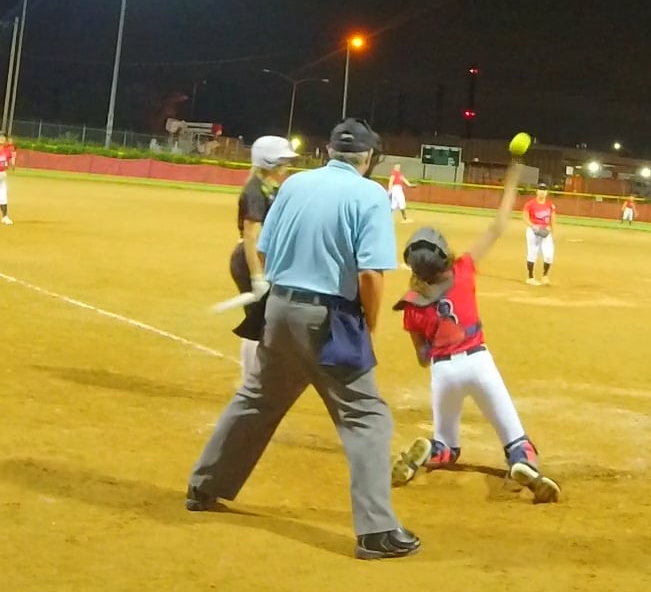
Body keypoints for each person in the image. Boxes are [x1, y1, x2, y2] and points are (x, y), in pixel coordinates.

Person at [184, 118, 419, 560]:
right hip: (329, 318)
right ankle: (376, 532)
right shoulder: (369, 194)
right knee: (367, 417)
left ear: (329, 152)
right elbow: (371, 274)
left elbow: (262, 249)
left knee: (257, 399)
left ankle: (204, 486)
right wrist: (369, 325)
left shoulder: (293, 185)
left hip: (279, 309)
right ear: (368, 158)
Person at [389, 150, 560, 503]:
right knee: (518, 441)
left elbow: (423, 357)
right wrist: (513, 174)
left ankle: (434, 450)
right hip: (479, 363)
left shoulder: (410, 303)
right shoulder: (463, 270)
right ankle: (521, 460)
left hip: (443, 373)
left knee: (447, 448)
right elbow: (498, 226)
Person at [209, 136, 300, 390]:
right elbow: (251, 237)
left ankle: (257, 376)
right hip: (250, 260)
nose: (286, 165)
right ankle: (251, 380)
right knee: (257, 323)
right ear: (268, 161)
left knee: (266, 321)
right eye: (282, 160)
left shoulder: (269, 188)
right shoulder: (254, 191)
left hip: (264, 259)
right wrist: (257, 275)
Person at [524, 182, 557, 285]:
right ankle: (530, 278)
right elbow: (525, 217)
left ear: (547, 192)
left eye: (544, 190)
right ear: (537, 192)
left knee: (549, 255)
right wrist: (533, 226)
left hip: (546, 231)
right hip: (533, 231)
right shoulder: (530, 204)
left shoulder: (550, 205)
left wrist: (552, 231)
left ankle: (545, 276)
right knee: (532, 253)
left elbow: (553, 220)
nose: (542, 192)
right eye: (540, 190)